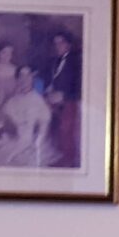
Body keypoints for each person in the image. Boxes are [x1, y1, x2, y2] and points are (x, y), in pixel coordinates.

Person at [0, 66, 54, 167]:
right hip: (12, 141)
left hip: (32, 145)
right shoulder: (11, 102)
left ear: (32, 78)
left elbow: (44, 125)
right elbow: (4, 121)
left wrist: (36, 142)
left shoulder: (38, 100)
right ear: (17, 79)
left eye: (28, 75)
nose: (25, 79)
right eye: (21, 76)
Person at [42, 30, 83, 168]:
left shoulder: (77, 62)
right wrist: (48, 91)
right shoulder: (53, 61)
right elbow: (50, 80)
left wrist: (64, 96)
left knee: (67, 130)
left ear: (68, 44)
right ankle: (57, 157)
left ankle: (68, 160)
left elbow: (80, 87)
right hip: (54, 103)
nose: (58, 46)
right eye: (55, 43)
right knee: (53, 130)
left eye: (61, 42)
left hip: (70, 102)